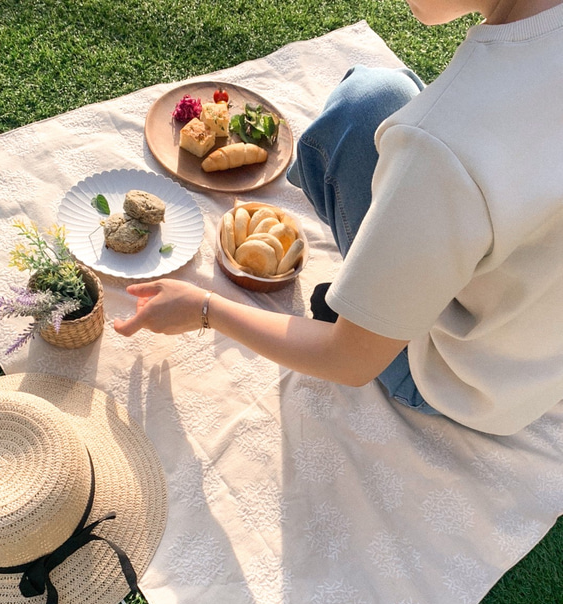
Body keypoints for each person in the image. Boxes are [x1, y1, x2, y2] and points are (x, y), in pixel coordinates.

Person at [115, 0, 563, 436]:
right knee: (373, 98)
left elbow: (349, 362)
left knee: (353, 118)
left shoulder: (440, 143)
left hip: (465, 387)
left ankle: (376, 316)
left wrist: (204, 308)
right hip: (539, 350)